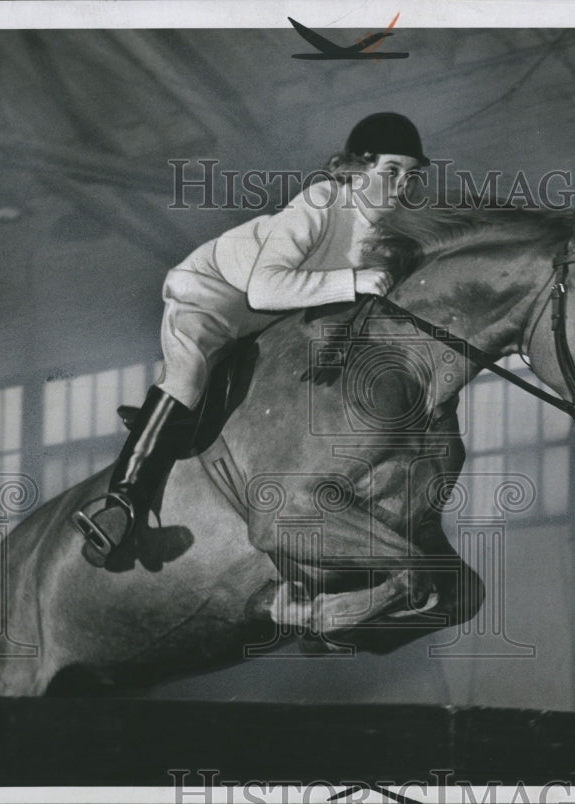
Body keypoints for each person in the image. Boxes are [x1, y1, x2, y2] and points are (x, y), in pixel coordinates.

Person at [72, 112, 430, 566]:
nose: (400, 185)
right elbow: (265, 288)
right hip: (212, 294)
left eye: (410, 175)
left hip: (266, 320)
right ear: (356, 170)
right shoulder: (321, 201)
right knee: (188, 376)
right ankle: (119, 506)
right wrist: (356, 281)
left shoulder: (386, 231)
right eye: (390, 171)